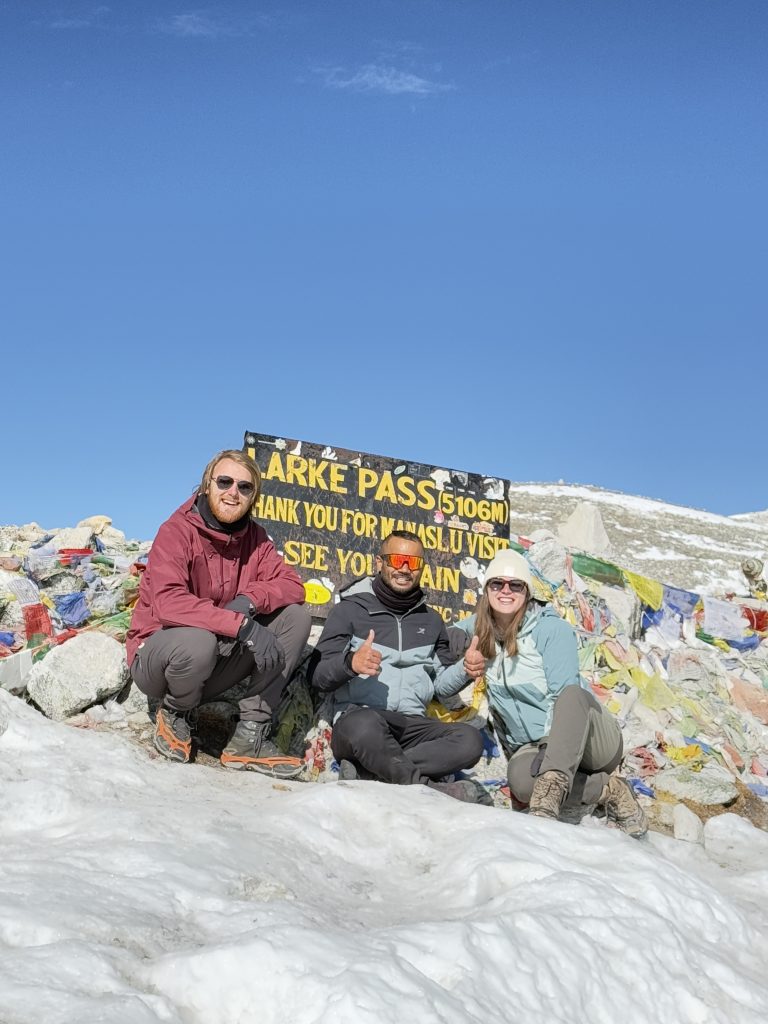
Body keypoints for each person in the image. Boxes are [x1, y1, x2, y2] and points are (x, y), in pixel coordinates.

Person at [126, 449, 311, 778]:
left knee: (295, 618)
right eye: (224, 481)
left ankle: (248, 738)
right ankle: (175, 713)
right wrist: (241, 624)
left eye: (244, 487)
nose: (233, 492)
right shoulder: (176, 531)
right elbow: (168, 603)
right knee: (197, 641)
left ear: (254, 497)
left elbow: (293, 585)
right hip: (159, 661)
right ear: (206, 486)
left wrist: (250, 600)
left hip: (214, 663)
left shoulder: (255, 538)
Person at [450, 549, 648, 836]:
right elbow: (446, 636)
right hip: (531, 747)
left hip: (592, 739)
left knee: (570, 695)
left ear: (527, 591)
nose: (506, 591)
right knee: (521, 783)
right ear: (487, 590)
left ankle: (548, 804)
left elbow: (564, 693)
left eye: (515, 585)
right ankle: (610, 790)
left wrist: (549, 745)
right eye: (497, 584)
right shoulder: (480, 630)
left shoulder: (551, 629)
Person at [308, 530, 490, 804]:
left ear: (421, 568)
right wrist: (351, 664)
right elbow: (317, 675)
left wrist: (464, 669)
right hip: (359, 720)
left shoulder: (431, 620)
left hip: (412, 725)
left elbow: (440, 687)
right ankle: (431, 790)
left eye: (413, 562)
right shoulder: (349, 610)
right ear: (379, 563)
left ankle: (370, 772)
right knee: (365, 727)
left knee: (469, 740)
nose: (404, 569)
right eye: (396, 560)